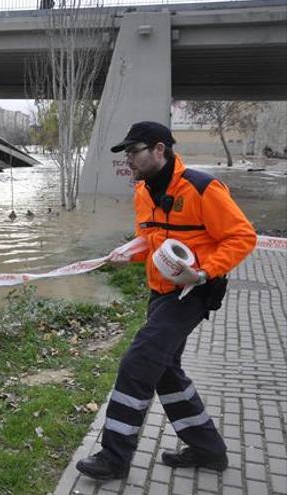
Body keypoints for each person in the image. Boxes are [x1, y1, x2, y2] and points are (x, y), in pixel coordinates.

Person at [75, 121, 257, 480]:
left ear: (160, 149)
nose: (129, 159)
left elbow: (242, 237)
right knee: (165, 371)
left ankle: (114, 457)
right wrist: (131, 250)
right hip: (159, 294)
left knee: (138, 363)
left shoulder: (203, 187)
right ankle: (208, 450)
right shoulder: (143, 191)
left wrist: (203, 272)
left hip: (192, 293)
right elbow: (153, 239)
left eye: (134, 151)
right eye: (126, 153)